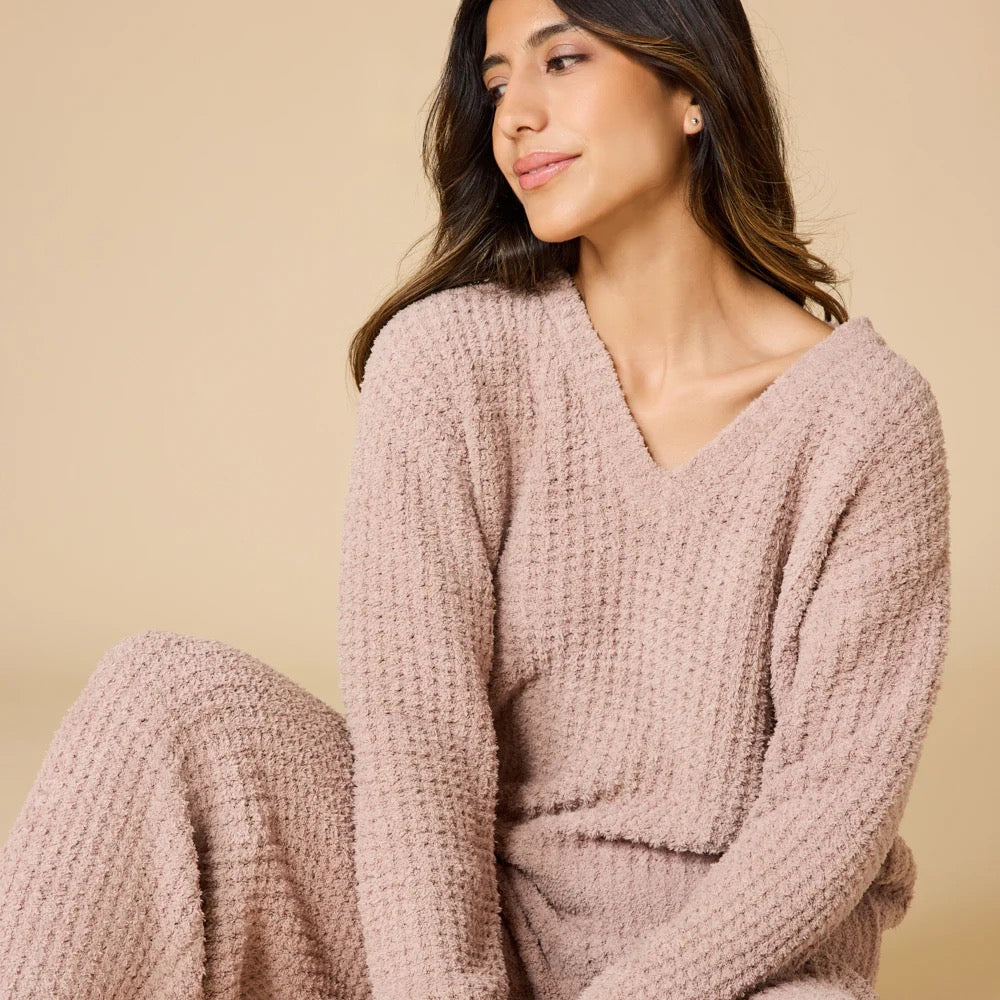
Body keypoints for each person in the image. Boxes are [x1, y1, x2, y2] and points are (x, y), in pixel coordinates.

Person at [0, 0, 951, 998]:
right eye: (497, 83)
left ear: (693, 91)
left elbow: (830, 808)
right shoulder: (446, 361)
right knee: (162, 694)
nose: (516, 116)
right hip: (471, 934)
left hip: (734, 965)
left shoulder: (865, 416)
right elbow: (421, 741)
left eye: (562, 61)